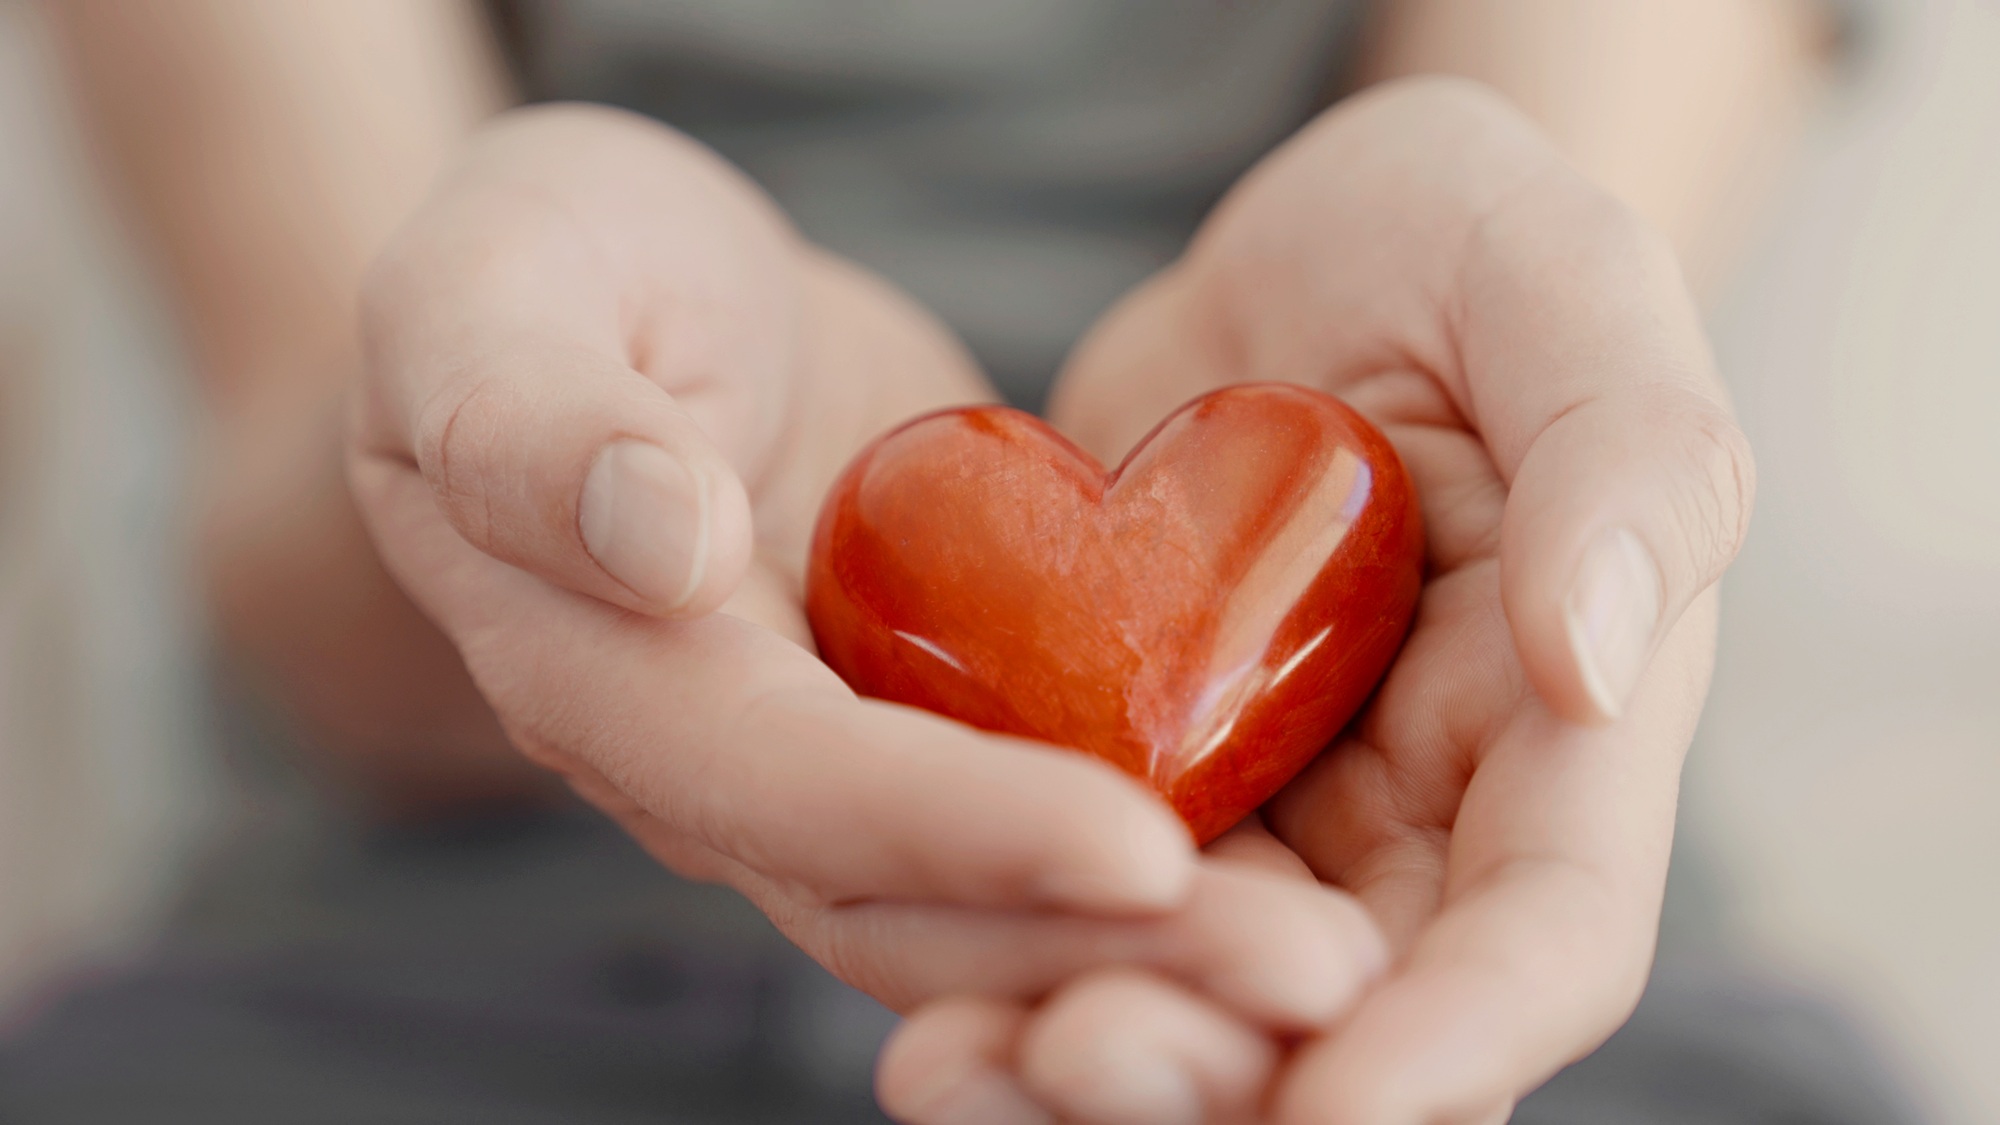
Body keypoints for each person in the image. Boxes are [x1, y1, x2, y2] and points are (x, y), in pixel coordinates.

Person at [1, 2, 1915, 1123]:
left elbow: (1556, 249)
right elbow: (288, 471)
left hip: (1466, 896)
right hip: (405, 976)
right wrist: (501, 448)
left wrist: (1527, 354)